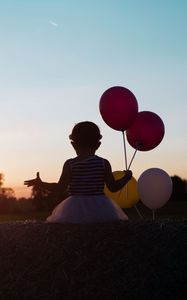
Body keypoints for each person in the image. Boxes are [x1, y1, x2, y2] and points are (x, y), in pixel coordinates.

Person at [24, 121, 132, 223]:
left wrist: (40, 183)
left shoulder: (70, 164)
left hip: (74, 209)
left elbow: (60, 187)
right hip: (101, 207)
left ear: (73, 144)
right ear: (98, 145)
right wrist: (126, 178)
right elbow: (113, 187)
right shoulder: (103, 163)